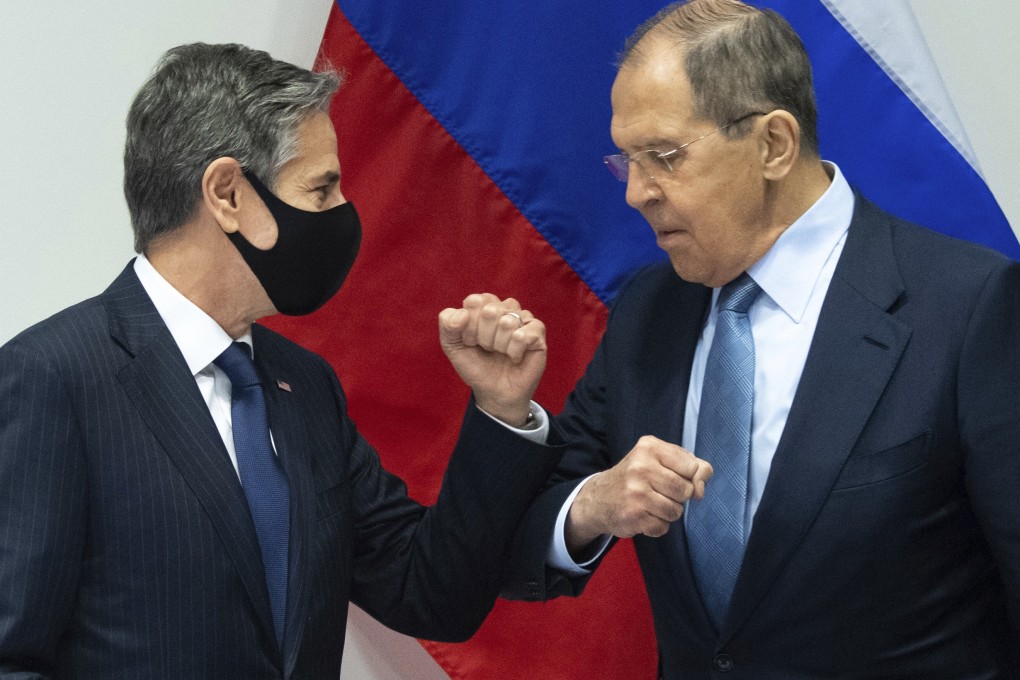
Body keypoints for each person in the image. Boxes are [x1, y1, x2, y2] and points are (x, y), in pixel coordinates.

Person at [0, 43, 564, 679]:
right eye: (321, 190)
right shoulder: (49, 379)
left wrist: (499, 407)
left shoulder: (304, 384)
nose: (345, 214)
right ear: (227, 193)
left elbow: (430, 593)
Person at [501, 1, 1020, 677]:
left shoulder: (969, 306)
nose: (635, 193)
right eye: (625, 160)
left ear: (774, 144)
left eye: (661, 157)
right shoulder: (648, 315)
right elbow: (515, 544)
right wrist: (595, 501)